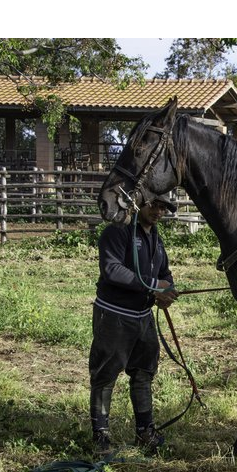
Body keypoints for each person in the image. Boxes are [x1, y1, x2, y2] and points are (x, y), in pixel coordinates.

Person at [89, 193, 179, 457]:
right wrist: (154, 286)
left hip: (143, 316)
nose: (159, 211)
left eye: (163, 207)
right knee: (105, 376)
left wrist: (167, 291)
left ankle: (145, 431)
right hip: (115, 314)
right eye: (155, 205)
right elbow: (112, 269)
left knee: (143, 374)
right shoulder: (117, 232)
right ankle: (101, 435)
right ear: (139, 203)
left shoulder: (156, 238)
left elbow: (164, 273)